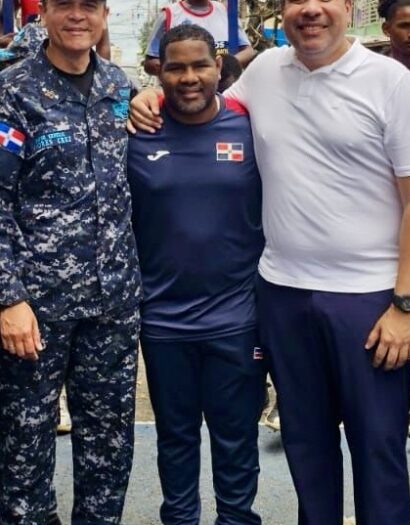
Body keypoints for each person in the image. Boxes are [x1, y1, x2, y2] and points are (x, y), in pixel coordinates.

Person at [130, 0, 410, 523]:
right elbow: (198, 99)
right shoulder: (265, 72)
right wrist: (149, 95)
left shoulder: (392, 82)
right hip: (281, 294)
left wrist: (406, 305)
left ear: (348, 7)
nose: (311, 10)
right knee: (305, 445)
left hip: (368, 298)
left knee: (377, 448)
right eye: (297, 0)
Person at [0, 0, 141, 522]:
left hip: (112, 301)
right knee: (25, 445)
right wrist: (11, 298)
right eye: (64, 4)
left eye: (88, 5)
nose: (77, 16)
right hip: (37, 306)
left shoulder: (118, 85)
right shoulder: (11, 91)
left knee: (109, 443)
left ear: (104, 14)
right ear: (43, 13)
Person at [129, 24, 265, 525]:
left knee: (236, 438)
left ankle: (236, 519)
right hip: (163, 320)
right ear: (158, 72)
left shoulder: (251, 127)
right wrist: (137, 100)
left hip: (237, 319)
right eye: (176, 67)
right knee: (176, 437)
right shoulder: (135, 131)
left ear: (218, 68)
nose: (189, 77)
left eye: (199, 65)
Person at [142, 0, 256, 76]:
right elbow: (150, 63)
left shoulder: (225, 12)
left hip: (225, 95)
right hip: (182, 97)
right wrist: (178, 69)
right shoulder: (169, 15)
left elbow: (248, 51)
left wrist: (226, 65)